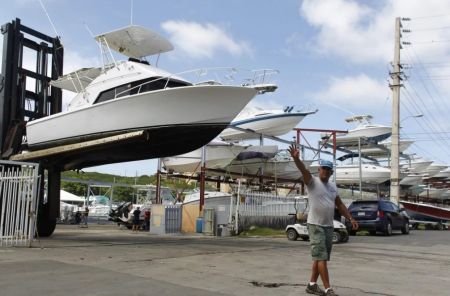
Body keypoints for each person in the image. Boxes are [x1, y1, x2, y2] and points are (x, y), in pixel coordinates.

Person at [288, 144, 358, 296]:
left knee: (319, 257)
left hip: (328, 226)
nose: (325, 171)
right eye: (323, 168)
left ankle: (312, 285)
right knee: (321, 258)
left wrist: (350, 218)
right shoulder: (312, 181)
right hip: (315, 225)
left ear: (331, 172)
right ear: (319, 170)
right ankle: (328, 289)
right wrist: (296, 158)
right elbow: (303, 170)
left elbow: (339, 204)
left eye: (328, 169)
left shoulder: (333, 187)